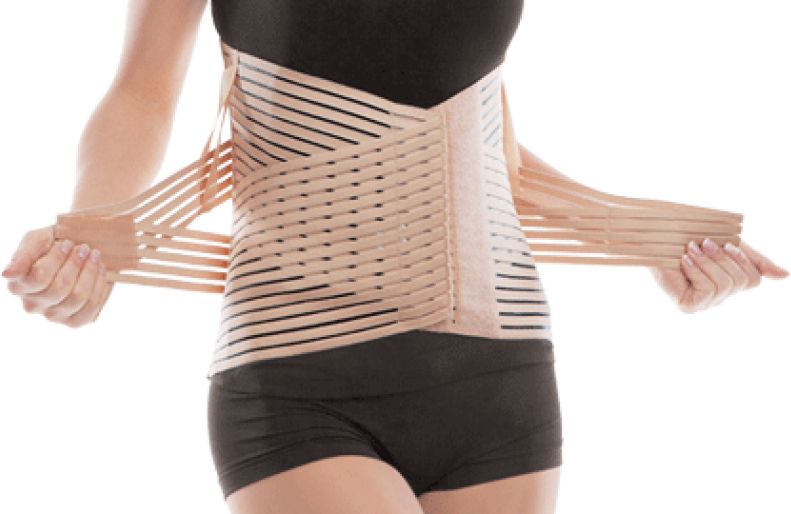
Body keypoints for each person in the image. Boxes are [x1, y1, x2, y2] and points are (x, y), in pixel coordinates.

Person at [2, 2, 788, 514]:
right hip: (296, 368)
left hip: (498, 375)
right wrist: (91, 234)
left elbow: (477, 136)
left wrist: (640, 239)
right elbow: (142, 92)